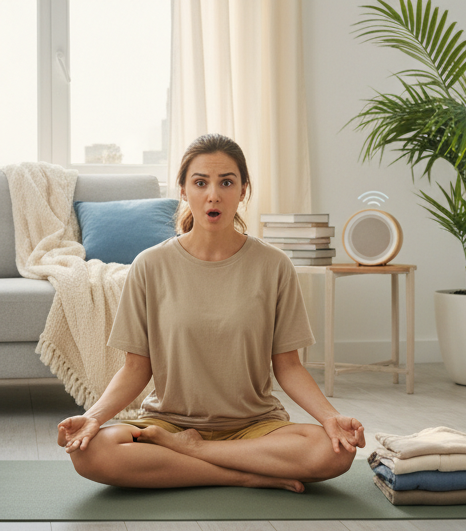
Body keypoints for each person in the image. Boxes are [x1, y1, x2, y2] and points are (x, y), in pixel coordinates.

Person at [57, 132, 365, 492]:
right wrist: (92, 418)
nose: (213, 195)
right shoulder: (150, 266)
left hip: (255, 425)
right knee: (90, 452)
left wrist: (332, 418)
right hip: (169, 423)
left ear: (243, 190)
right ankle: (242, 474)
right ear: (184, 190)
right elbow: (135, 369)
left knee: (335, 452)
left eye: (227, 182)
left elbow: (289, 367)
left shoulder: (274, 266)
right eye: (200, 182)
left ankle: (195, 454)